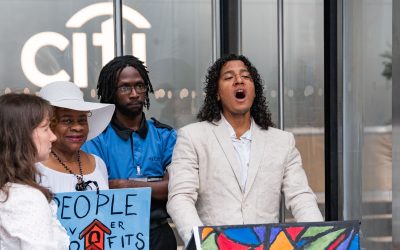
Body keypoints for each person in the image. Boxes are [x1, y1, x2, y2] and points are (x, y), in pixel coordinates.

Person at [167, 54, 324, 245]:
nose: (239, 80)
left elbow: (300, 196)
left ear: (254, 90)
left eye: (245, 76)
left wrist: (319, 239)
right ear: (216, 93)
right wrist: (203, 243)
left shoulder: (282, 141)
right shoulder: (192, 137)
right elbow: (180, 198)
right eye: (228, 77)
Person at [82, 55, 177, 250]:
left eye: (140, 86)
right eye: (125, 87)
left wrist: (125, 184)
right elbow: (98, 192)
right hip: (114, 234)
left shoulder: (165, 135)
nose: (134, 94)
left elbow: (175, 188)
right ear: (111, 92)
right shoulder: (96, 138)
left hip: (159, 234)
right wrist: (154, 185)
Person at [0, 93, 70, 249]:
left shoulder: (12, 191)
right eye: (45, 128)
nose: (53, 137)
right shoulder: (25, 198)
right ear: (21, 135)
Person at [36, 81, 115, 193]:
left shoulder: (98, 163)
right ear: (49, 125)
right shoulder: (34, 168)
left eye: (82, 120)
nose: (78, 127)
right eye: (67, 121)